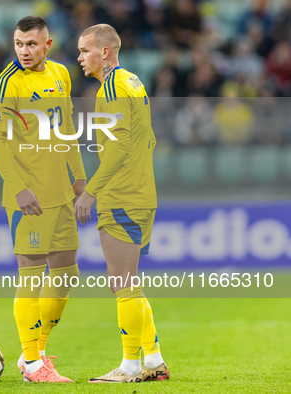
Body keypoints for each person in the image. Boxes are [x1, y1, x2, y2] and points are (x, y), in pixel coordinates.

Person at [0, 16, 86, 383]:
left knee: (66, 274)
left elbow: (67, 131)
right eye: (18, 44)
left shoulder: (61, 74)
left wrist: (78, 178)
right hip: (26, 198)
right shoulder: (6, 84)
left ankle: (38, 351)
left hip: (59, 194)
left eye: (30, 44)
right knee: (29, 277)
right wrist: (17, 187)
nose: (23, 51)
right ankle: (31, 365)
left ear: (47, 44)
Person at [74, 24, 170, 383]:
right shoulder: (134, 82)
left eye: (85, 50)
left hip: (122, 200)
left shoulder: (112, 87)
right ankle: (154, 360)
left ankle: (130, 366)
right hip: (143, 197)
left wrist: (90, 193)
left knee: (123, 284)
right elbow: (150, 139)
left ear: (105, 52)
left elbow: (115, 153)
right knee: (131, 284)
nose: (80, 58)